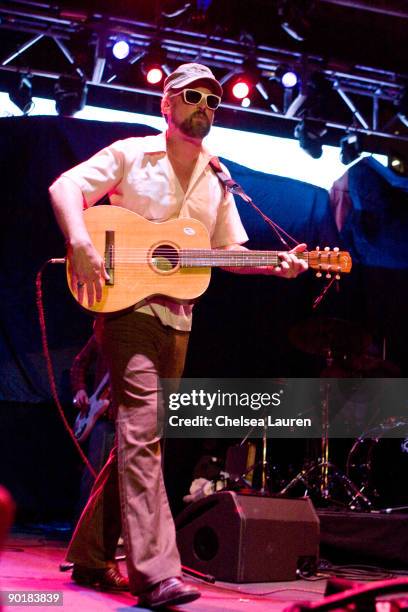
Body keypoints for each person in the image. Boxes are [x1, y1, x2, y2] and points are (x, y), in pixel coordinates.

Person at [49, 62, 307, 607]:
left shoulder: (218, 176)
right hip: (128, 310)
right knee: (145, 433)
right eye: (193, 96)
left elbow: (229, 253)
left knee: (138, 440)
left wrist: (275, 265)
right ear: (166, 105)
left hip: (180, 318)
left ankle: (92, 557)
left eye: (213, 101)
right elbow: (66, 186)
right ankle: (157, 572)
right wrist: (80, 240)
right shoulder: (130, 154)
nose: (204, 108)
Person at [71, 332, 115, 517]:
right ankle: (84, 527)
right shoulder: (104, 330)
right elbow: (80, 362)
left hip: (130, 418)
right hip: (104, 417)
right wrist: (80, 389)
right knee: (93, 475)